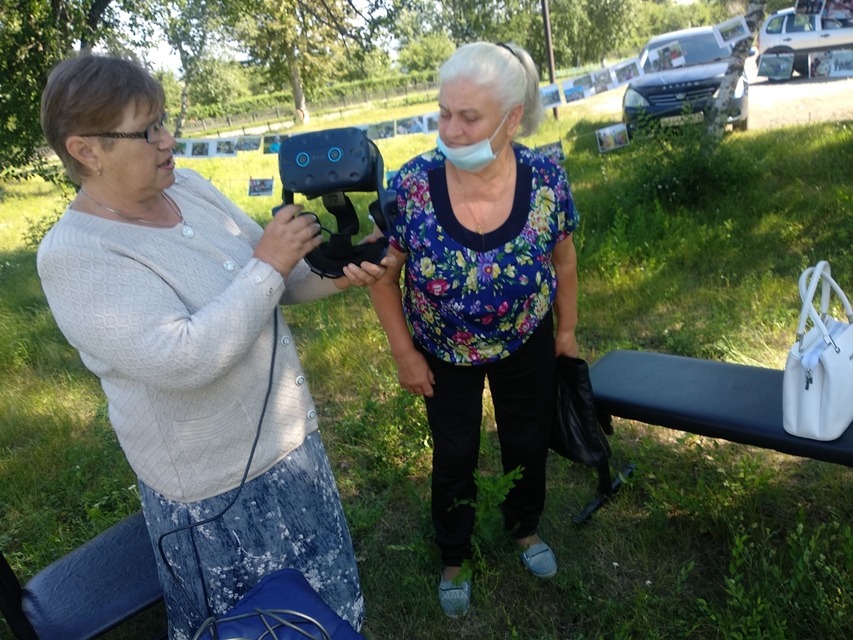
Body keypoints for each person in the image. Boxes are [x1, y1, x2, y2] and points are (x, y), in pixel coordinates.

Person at [37, 54, 393, 640]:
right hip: (217, 493)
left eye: (162, 121)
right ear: (86, 150)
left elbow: (277, 280)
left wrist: (344, 267)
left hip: (290, 449)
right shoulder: (77, 255)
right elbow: (185, 358)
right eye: (146, 130)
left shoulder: (189, 189)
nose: (167, 140)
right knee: (254, 626)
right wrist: (270, 262)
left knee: (323, 615)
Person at [369, 42, 579, 619]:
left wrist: (565, 334)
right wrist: (405, 354)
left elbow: (564, 259)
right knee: (455, 452)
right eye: (444, 113)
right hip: (443, 348)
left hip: (526, 338)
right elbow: (384, 278)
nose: (451, 130)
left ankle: (524, 528)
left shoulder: (545, 179)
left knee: (527, 439)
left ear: (512, 119)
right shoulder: (413, 186)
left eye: (468, 117)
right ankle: (454, 555)